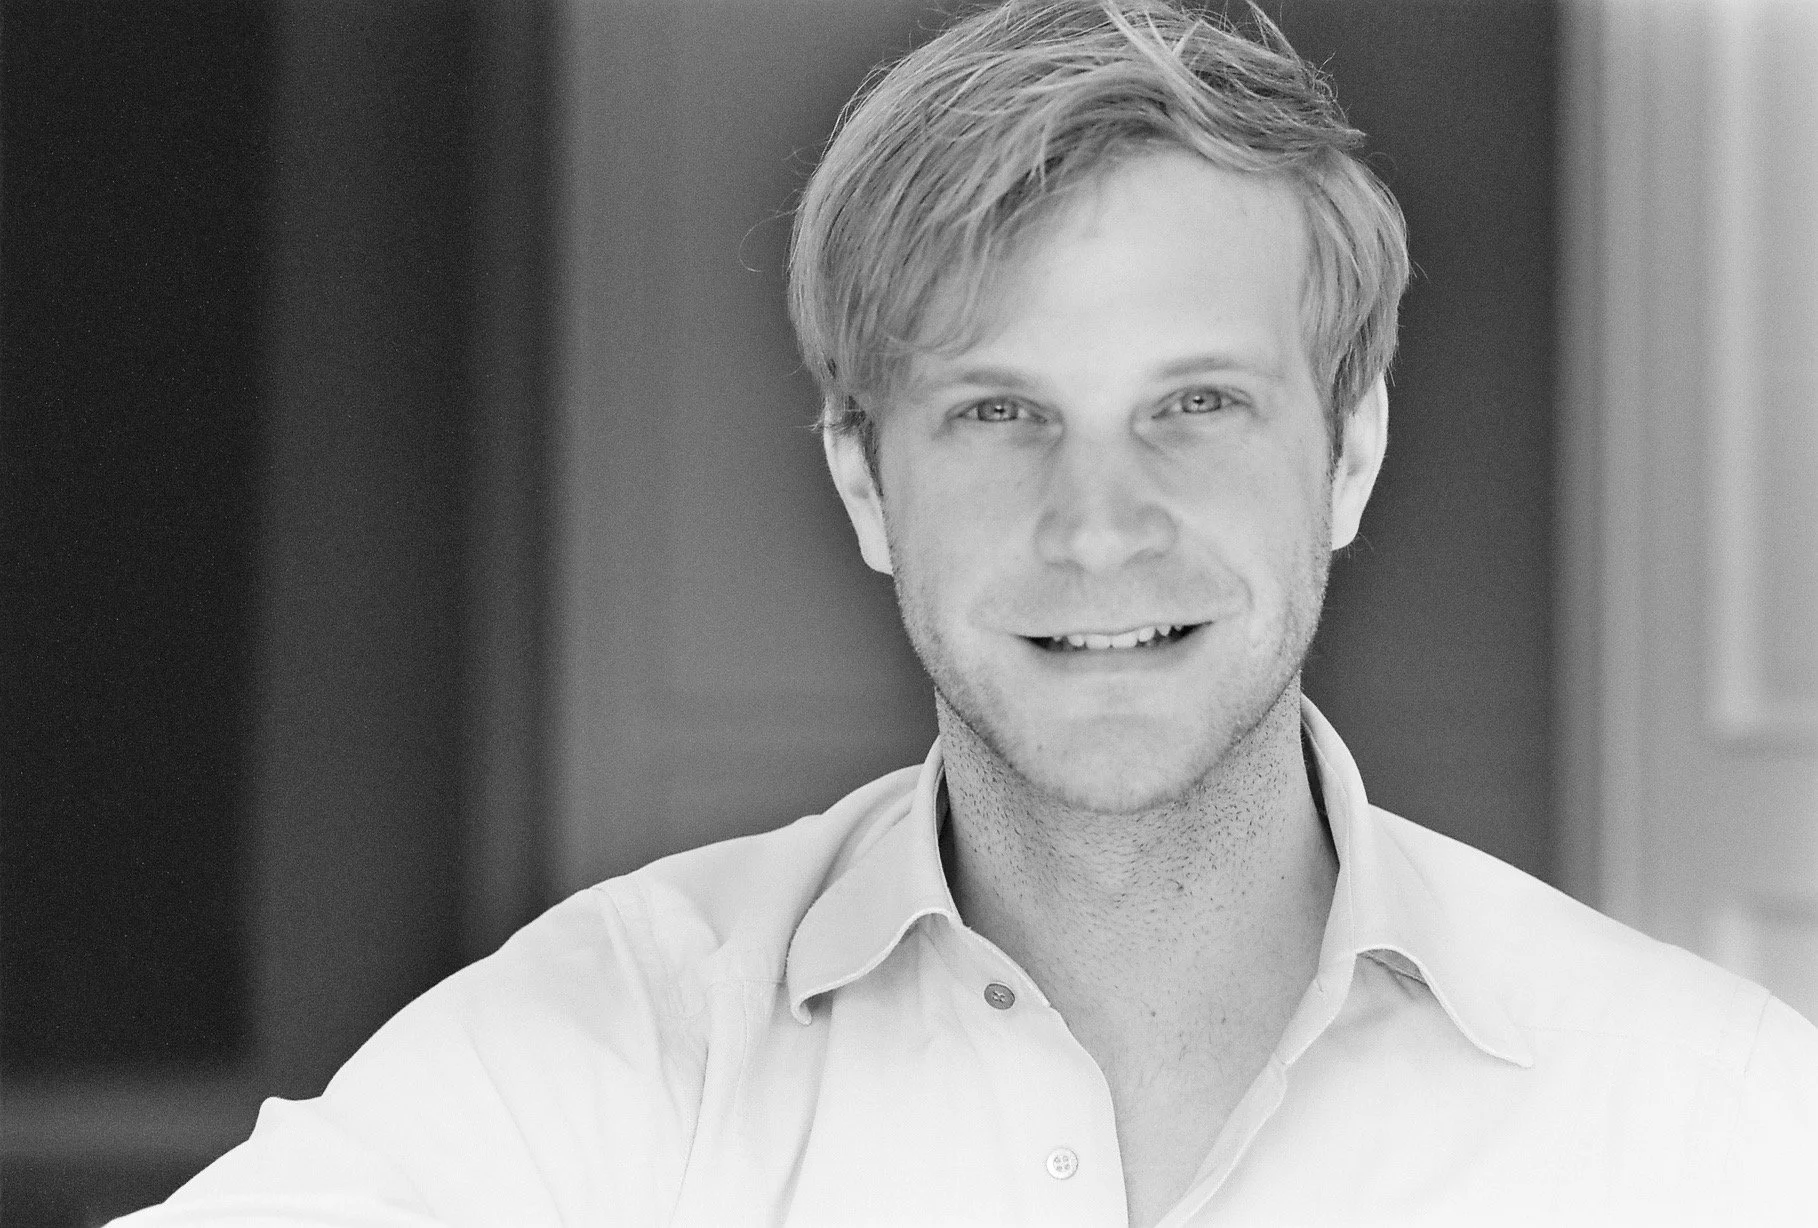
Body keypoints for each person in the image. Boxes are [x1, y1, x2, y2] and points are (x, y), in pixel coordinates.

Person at [119, 1, 1818, 1225]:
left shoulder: (1714, 1118)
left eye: (1197, 405)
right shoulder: (616, 1046)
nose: (1097, 529)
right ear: (865, 484)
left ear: (1350, 450)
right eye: (998, 413)